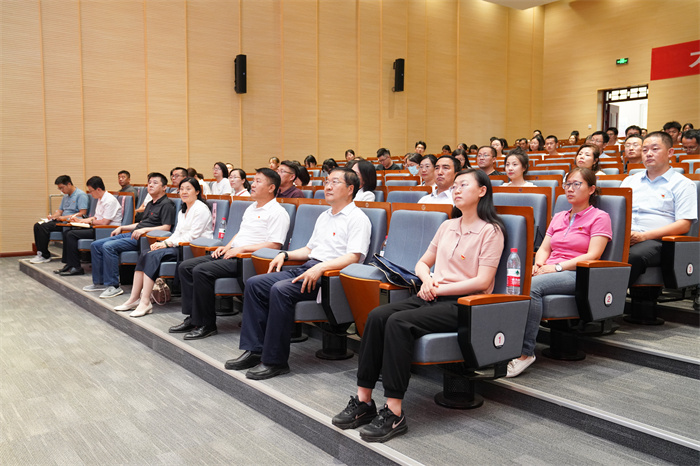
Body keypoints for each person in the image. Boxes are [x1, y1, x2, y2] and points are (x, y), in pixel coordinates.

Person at [331, 168, 505, 442]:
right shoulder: (447, 226)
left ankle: (394, 411)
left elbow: (483, 281)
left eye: (464, 185)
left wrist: (439, 287)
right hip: (432, 294)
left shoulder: (491, 231)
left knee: (398, 323)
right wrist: (427, 280)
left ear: (482, 191)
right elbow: (423, 263)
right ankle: (364, 401)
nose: (457, 190)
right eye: (455, 186)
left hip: (464, 304)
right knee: (376, 316)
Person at [224, 168, 371, 380]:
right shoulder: (325, 216)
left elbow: (354, 257)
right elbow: (310, 249)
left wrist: (321, 268)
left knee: (280, 290)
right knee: (255, 284)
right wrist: (285, 254)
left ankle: (275, 361)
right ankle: (255, 351)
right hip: (309, 268)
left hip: (330, 278)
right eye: (327, 182)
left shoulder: (358, 218)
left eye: (334, 182)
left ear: (350, 189)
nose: (328, 186)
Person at [507, 167, 612, 378]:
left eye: (576, 184)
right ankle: (504, 347)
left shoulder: (600, 217)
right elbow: (545, 248)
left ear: (591, 189)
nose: (570, 189)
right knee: (512, 281)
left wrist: (556, 267)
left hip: (578, 273)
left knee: (532, 287)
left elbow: (593, 255)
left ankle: (526, 353)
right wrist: (538, 264)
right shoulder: (559, 216)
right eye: (567, 184)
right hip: (550, 269)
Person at [169, 168, 290, 339]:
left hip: (248, 259)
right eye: (254, 180)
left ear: (271, 188)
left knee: (201, 271)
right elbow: (241, 233)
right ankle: (193, 318)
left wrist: (242, 249)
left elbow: (274, 244)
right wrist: (228, 246)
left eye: (258, 181)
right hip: (233, 253)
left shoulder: (278, 212)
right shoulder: (252, 208)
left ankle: (206, 324)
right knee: (185, 267)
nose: (253, 184)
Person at [114, 178, 213, 317]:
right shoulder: (183, 209)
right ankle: (134, 299)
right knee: (146, 253)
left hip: (192, 249)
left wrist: (166, 244)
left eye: (188, 189)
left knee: (152, 255)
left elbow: (192, 236)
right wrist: (163, 243)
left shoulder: (201, 209)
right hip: (178, 245)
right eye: (181, 189)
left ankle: (145, 301)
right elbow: (177, 233)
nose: (184, 192)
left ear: (197, 191)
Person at [620, 131, 697, 287]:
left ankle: (605, 298)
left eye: (655, 149)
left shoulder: (683, 184)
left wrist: (643, 236)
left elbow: (684, 224)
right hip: (625, 236)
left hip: (657, 240)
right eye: (645, 150)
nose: (648, 154)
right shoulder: (630, 181)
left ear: (670, 152)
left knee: (630, 257)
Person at [84, 172, 176, 299]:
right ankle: (99, 282)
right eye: (149, 183)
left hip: (144, 238)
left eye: (155, 183)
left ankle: (113, 286)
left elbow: (166, 227)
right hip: (133, 233)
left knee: (108, 246)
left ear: (164, 187)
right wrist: (122, 227)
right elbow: (141, 223)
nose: (150, 185)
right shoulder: (150, 203)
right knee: (95, 245)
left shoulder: (167, 204)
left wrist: (144, 230)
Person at [55, 176, 123, 276]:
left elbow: (104, 222)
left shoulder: (110, 201)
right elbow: (95, 217)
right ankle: (70, 264)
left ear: (98, 189)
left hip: (106, 230)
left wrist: (88, 222)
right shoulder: (100, 199)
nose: (90, 194)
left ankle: (77, 267)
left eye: (91, 191)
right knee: (67, 233)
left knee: (71, 234)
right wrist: (81, 221)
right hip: (97, 228)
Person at [30, 175, 89, 264]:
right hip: (61, 220)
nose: (61, 190)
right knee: (37, 225)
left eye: (62, 188)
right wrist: (53, 216)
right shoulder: (65, 196)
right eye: (59, 188)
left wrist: (65, 217)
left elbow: (82, 213)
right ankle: (40, 253)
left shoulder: (81, 195)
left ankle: (45, 256)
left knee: (43, 227)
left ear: (69, 184)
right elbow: (60, 211)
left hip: (70, 222)